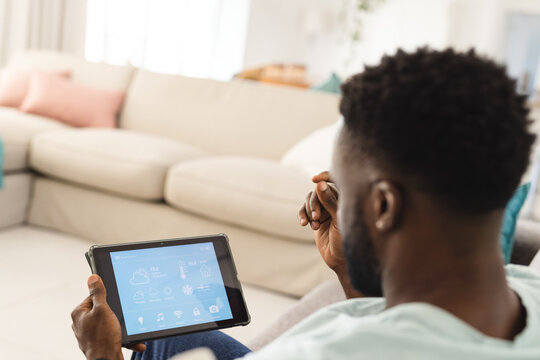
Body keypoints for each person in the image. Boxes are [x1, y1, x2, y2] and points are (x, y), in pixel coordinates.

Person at [71, 48, 540, 360]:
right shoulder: (524, 289)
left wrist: (103, 357)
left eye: (345, 187)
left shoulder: (320, 351)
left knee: (145, 342)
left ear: (383, 207)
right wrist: (353, 279)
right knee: (175, 335)